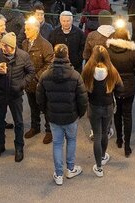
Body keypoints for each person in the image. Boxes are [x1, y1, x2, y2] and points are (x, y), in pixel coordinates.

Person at [37, 43, 88, 185]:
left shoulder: (45, 75)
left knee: (57, 144)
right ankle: (71, 169)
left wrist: (46, 111)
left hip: (53, 117)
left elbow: (40, 98)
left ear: (54, 55)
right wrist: (80, 113)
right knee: (71, 140)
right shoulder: (75, 75)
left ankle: (58, 174)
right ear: (67, 55)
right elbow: (83, 99)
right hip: (71, 116)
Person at [0, 31, 34, 162]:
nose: (2, 47)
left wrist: (21, 85)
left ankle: (19, 147)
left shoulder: (23, 56)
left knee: (18, 122)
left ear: (12, 46)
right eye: (2, 44)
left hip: (15, 95)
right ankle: (0, 145)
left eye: (5, 45)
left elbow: (31, 72)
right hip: (0, 93)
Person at [82, 46, 121, 177]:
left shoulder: (87, 70)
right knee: (105, 133)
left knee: (97, 135)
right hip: (108, 106)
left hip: (93, 107)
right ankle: (103, 156)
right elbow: (120, 87)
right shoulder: (112, 70)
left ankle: (98, 167)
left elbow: (82, 88)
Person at [106, 28, 135, 156]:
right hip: (128, 87)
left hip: (114, 86)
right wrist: (131, 73)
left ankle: (119, 139)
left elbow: (106, 68)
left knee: (117, 113)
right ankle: (127, 146)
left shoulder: (109, 51)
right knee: (127, 115)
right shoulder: (133, 51)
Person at [20, 18, 54, 145]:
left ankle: (49, 130)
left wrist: (36, 76)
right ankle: (35, 127)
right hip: (29, 83)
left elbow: (50, 63)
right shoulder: (24, 43)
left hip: (41, 83)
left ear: (36, 29)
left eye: (28, 29)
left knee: (45, 107)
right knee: (33, 106)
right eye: (25, 29)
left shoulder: (45, 45)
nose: (25, 31)